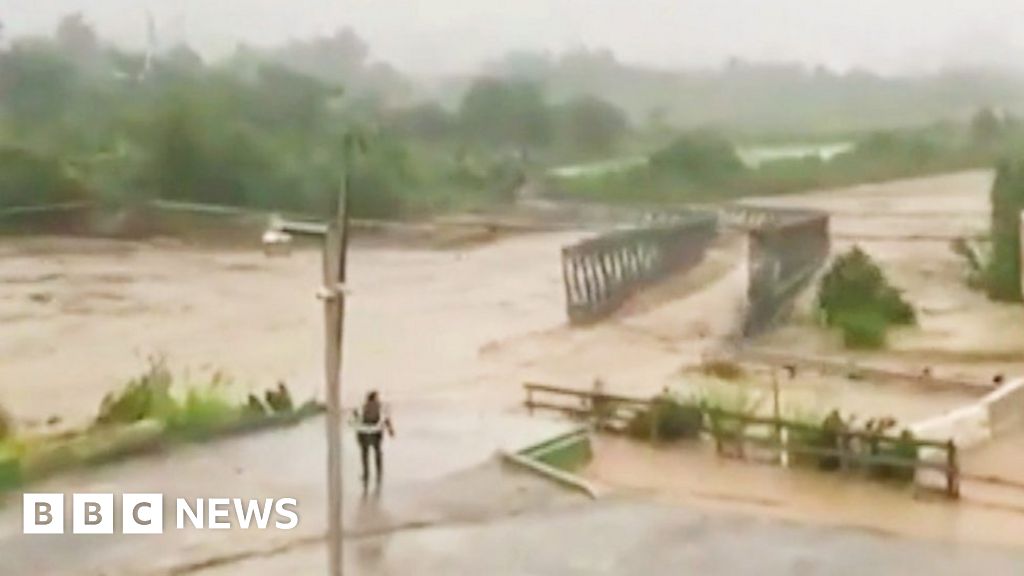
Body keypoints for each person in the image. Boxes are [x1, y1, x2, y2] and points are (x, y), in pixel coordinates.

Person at [353, 391, 394, 488]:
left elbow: (356, 417)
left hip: (363, 432)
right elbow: (386, 418)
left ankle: (366, 474)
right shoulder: (380, 406)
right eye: (377, 397)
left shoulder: (363, 406)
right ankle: (379, 473)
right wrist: (390, 429)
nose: (378, 399)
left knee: (365, 454)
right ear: (374, 398)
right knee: (377, 452)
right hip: (375, 431)